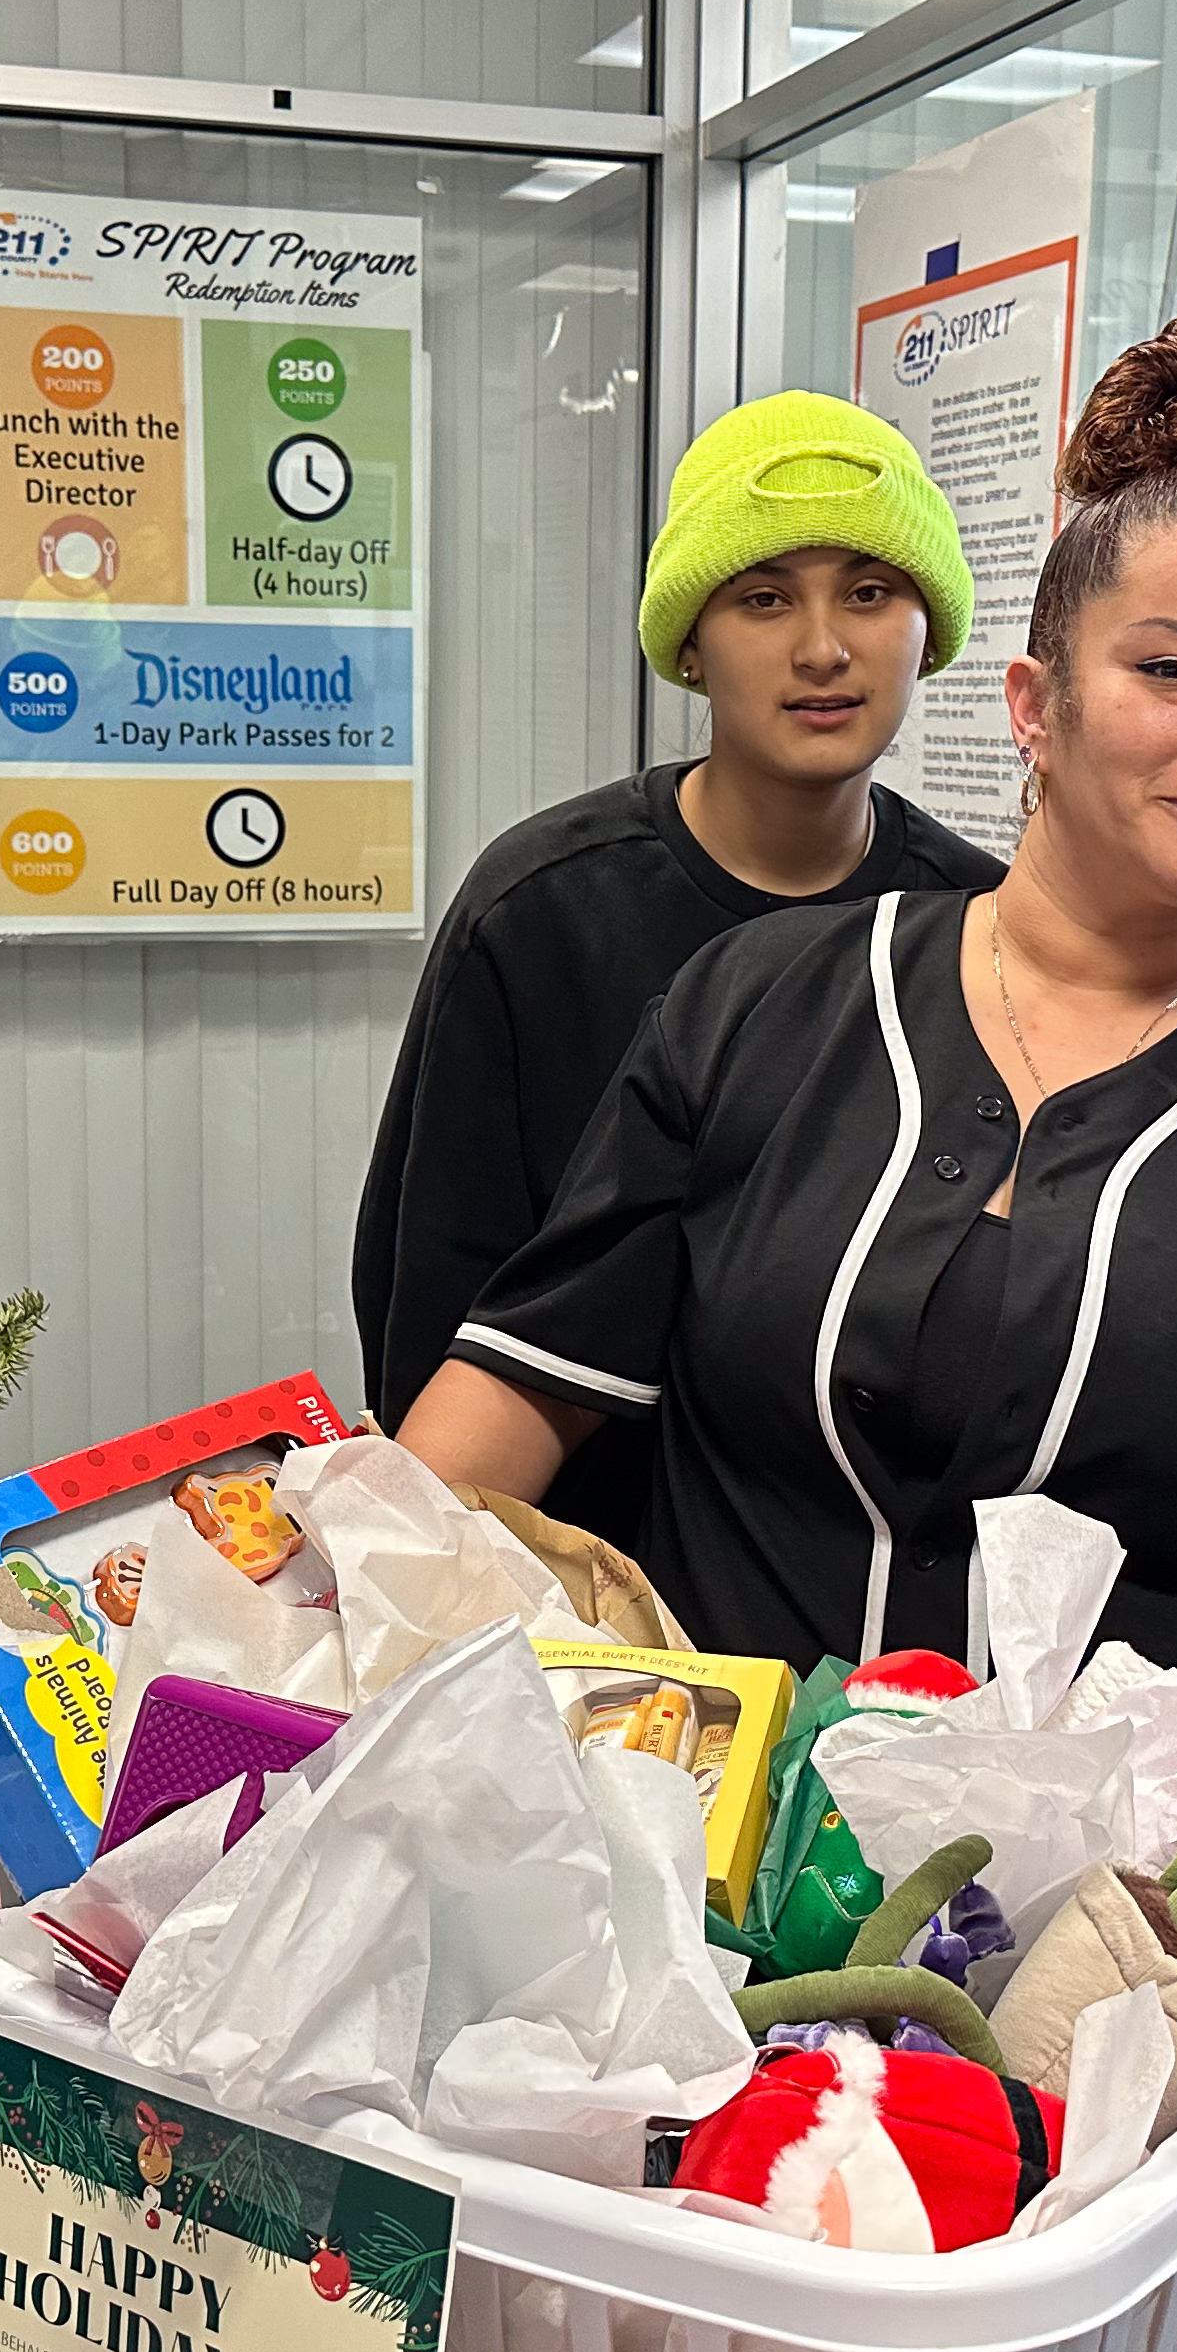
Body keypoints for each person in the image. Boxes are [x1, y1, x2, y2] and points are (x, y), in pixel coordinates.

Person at [398, 309, 1177, 2323]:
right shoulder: (770, 1008)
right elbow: (508, 1399)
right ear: (1032, 699)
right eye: (1171, 673)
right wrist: (335, 1685)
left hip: (1106, 2002)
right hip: (678, 1912)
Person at [352, 389, 997, 1550]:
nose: (822, 647)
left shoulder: (975, 925)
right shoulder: (545, 909)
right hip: (567, 1564)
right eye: (763, 598)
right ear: (690, 642)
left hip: (862, 1589)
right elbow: (427, 1289)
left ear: (930, 627)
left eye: (869, 590)